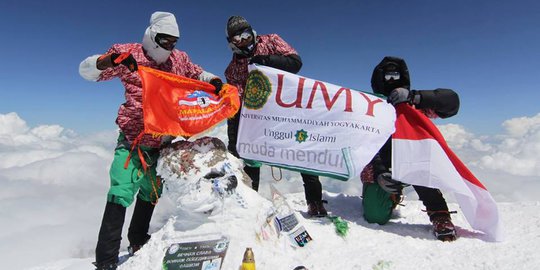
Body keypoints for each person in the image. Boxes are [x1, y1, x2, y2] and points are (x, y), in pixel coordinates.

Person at [79, 12, 223, 270]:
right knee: (120, 193)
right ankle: (106, 260)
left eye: (173, 42)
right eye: (164, 40)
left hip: (163, 141)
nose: (168, 46)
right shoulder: (128, 53)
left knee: (150, 193)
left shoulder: (179, 59)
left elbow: (197, 73)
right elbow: (88, 72)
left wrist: (213, 81)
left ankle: (137, 239)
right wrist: (106, 61)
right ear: (152, 35)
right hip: (133, 139)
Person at [223, 16, 327, 217]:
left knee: (301, 153)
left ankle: (315, 202)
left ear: (251, 32)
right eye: (236, 39)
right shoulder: (233, 68)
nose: (242, 41)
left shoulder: (271, 41)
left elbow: (295, 62)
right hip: (258, 121)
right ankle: (250, 206)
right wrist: (234, 141)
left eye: (245, 35)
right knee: (251, 158)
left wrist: (267, 61)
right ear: (231, 43)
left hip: (287, 113)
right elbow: (236, 103)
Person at [360, 56, 460, 241]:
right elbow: (366, 144)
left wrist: (417, 97)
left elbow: (452, 103)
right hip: (381, 166)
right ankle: (389, 196)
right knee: (375, 216)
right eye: (387, 77)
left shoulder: (414, 104)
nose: (391, 81)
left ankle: (439, 214)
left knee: (421, 165)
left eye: (395, 76)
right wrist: (380, 172)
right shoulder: (368, 107)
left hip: (412, 159)